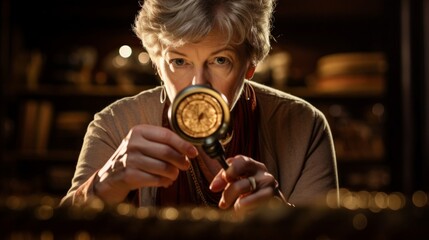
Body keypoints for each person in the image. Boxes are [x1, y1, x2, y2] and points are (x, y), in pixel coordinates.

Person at [60, 0, 339, 212]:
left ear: (251, 64)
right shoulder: (113, 123)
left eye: (220, 60)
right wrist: (103, 185)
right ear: (157, 63)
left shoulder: (306, 125)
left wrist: (280, 218)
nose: (199, 85)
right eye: (179, 62)